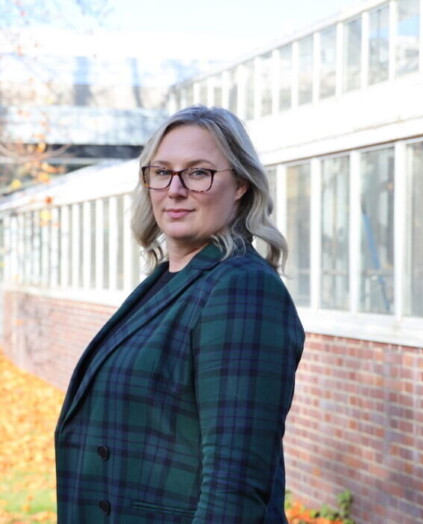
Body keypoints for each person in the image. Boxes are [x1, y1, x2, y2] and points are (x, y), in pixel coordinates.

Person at [54, 105, 304, 523]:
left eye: (198, 172)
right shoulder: (167, 280)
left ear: (240, 184)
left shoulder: (241, 286)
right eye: (162, 171)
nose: (174, 189)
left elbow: (234, 485)